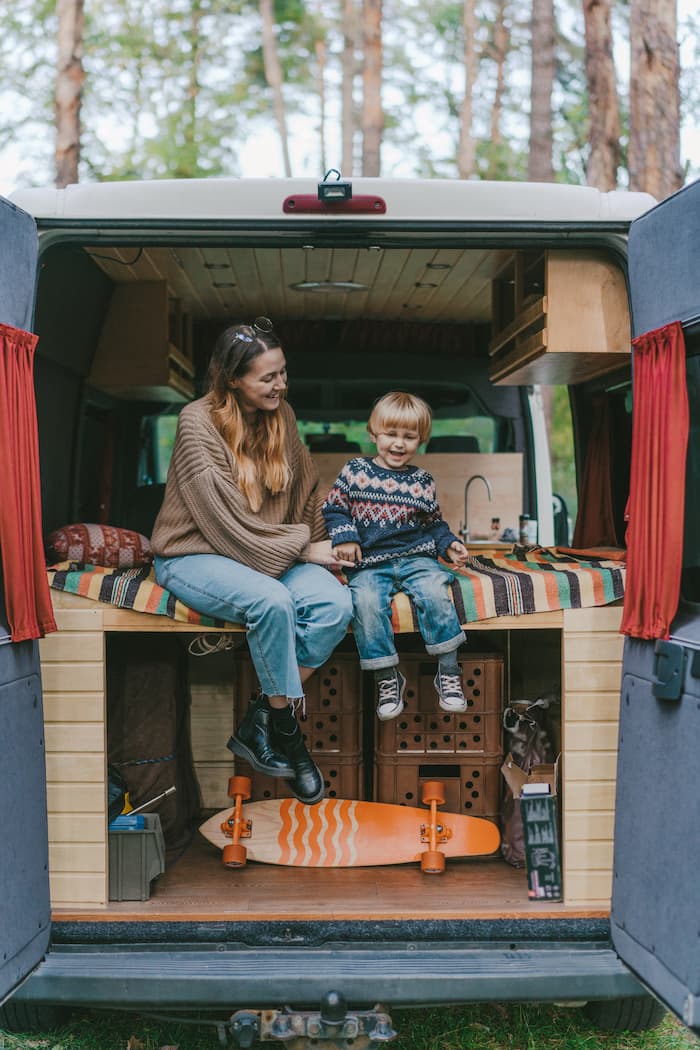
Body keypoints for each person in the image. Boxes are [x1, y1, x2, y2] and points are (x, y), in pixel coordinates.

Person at [151, 317, 354, 805]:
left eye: (283, 372)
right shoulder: (197, 422)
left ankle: (262, 716)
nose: (281, 385)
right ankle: (288, 736)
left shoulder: (281, 415)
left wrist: (336, 544)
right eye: (268, 377)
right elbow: (226, 527)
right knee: (273, 601)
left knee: (334, 606)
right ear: (231, 379)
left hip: (269, 550)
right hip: (195, 552)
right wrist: (305, 548)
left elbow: (306, 491)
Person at [322, 391, 470, 722]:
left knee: (435, 591)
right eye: (390, 434)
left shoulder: (422, 482)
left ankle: (448, 671)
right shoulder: (355, 471)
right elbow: (333, 508)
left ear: (422, 440)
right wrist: (345, 537)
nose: (398, 444)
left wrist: (449, 544)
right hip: (371, 562)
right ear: (373, 434)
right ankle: (387, 677)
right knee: (366, 602)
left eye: (409, 436)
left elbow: (434, 525)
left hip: (416, 557)